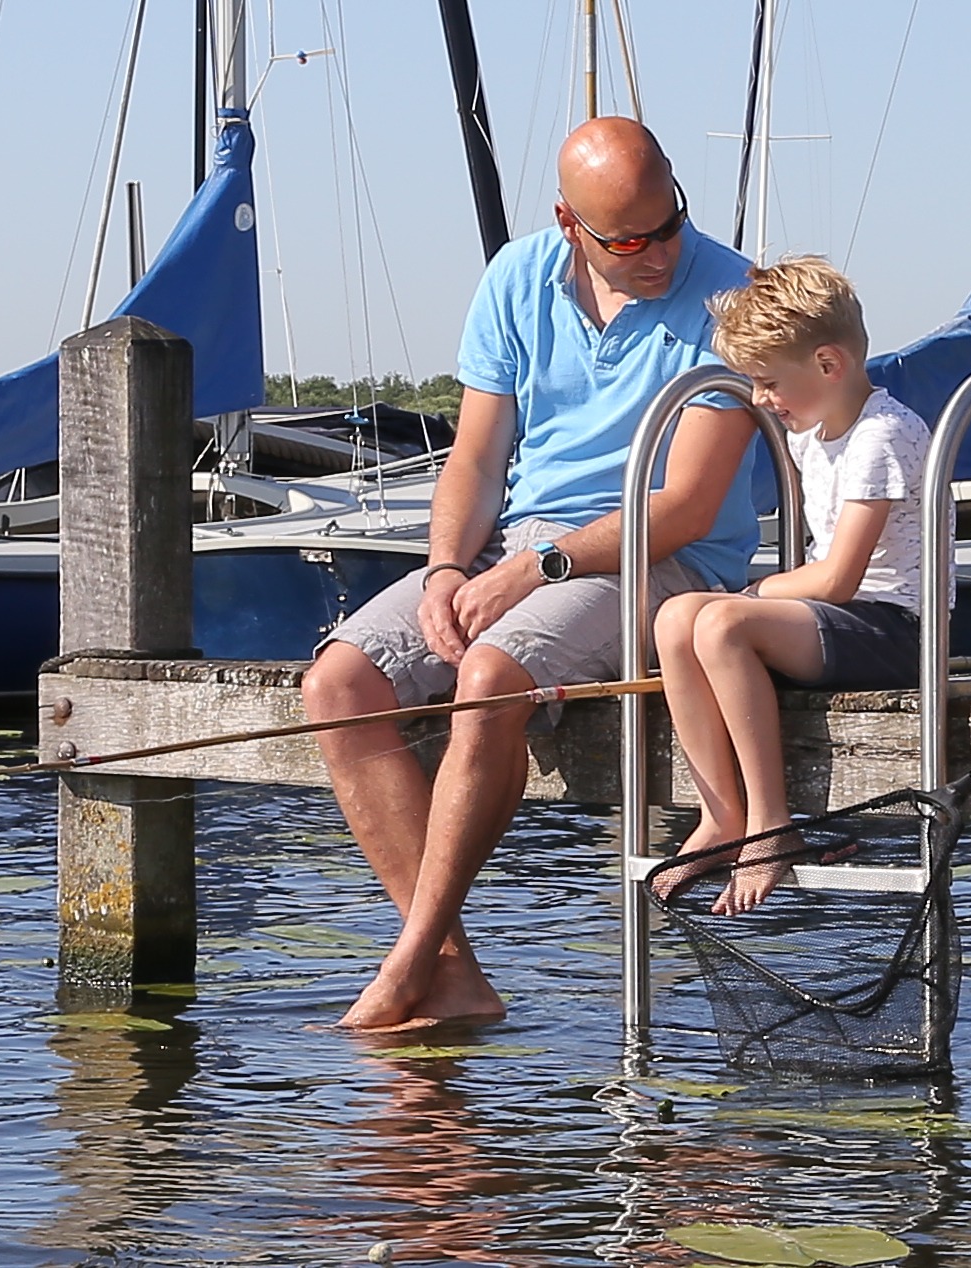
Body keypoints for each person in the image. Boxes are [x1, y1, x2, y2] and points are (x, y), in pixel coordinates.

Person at [303, 117, 774, 1033]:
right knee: (339, 679)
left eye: (669, 223)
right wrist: (445, 567)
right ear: (569, 222)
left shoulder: (734, 298)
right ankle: (451, 970)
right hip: (520, 544)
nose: (658, 253)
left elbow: (682, 507)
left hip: (660, 560)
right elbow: (476, 461)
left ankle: (408, 962)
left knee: (490, 676)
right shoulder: (515, 278)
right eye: (628, 239)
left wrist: (535, 568)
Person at [646, 257, 935, 917]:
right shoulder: (814, 435)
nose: (759, 399)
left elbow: (839, 578)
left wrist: (753, 598)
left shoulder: (883, 435)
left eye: (770, 382)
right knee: (674, 619)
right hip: (838, 620)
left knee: (720, 623)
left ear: (829, 366)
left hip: (893, 628)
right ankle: (723, 813)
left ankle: (771, 824)